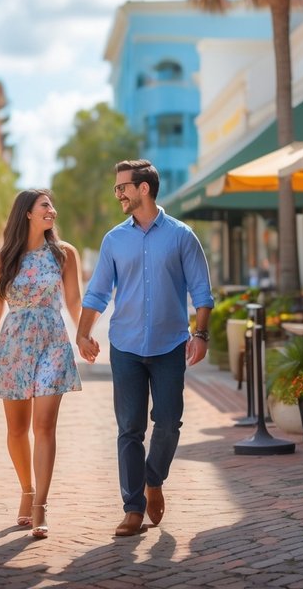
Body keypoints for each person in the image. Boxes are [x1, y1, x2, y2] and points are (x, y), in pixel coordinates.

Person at [76, 159, 213, 537]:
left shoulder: (182, 236)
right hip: (127, 346)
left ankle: (154, 479)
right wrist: (83, 332)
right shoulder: (114, 240)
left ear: (143, 189)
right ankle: (132, 508)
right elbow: (98, 291)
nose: (118, 193)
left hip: (170, 345)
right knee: (130, 429)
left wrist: (201, 335)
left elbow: (202, 291)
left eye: (123, 187)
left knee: (168, 423)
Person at [0, 189, 83, 539]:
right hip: (14, 345)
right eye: (45, 205)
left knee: (44, 426)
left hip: (52, 341)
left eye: (52, 204)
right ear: (27, 214)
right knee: (17, 430)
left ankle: (41, 506)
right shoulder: (3, 259)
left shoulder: (64, 254)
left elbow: (74, 300)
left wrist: (84, 335)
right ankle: (27, 490)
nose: (53, 209)